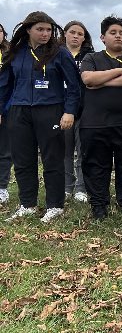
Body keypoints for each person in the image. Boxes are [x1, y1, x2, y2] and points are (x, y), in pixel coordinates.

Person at [0, 12, 82, 223]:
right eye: (40, 29)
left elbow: (74, 86)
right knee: (22, 160)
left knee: (52, 159)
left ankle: (54, 205)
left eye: (48, 30)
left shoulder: (60, 53)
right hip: (19, 111)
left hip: (51, 110)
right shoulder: (16, 52)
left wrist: (69, 111)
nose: (45, 33)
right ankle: (27, 204)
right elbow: (5, 85)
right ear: (28, 30)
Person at [79, 15, 122, 219]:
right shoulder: (92, 58)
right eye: (113, 33)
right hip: (94, 122)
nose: (118, 36)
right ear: (103, 37)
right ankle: (99, 205)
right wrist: (116, 71)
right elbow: (88, 78)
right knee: (96, 165)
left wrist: (101, 81)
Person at [62, 20, 95, 204]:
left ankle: (81, 188)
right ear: (65, 33)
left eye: (80, 33)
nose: (76, 36)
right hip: (62, 110)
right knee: (65, 152)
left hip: (85, 110)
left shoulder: (90, 56)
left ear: (84, 38)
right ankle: (67, 186)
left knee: (83, 151)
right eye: (72, 32)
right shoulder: (56, 54)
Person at [0, 23, 12, 206]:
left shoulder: (11, 55)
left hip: (6, 109)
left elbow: (11, 85)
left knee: (4, 151)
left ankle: (1, 187)